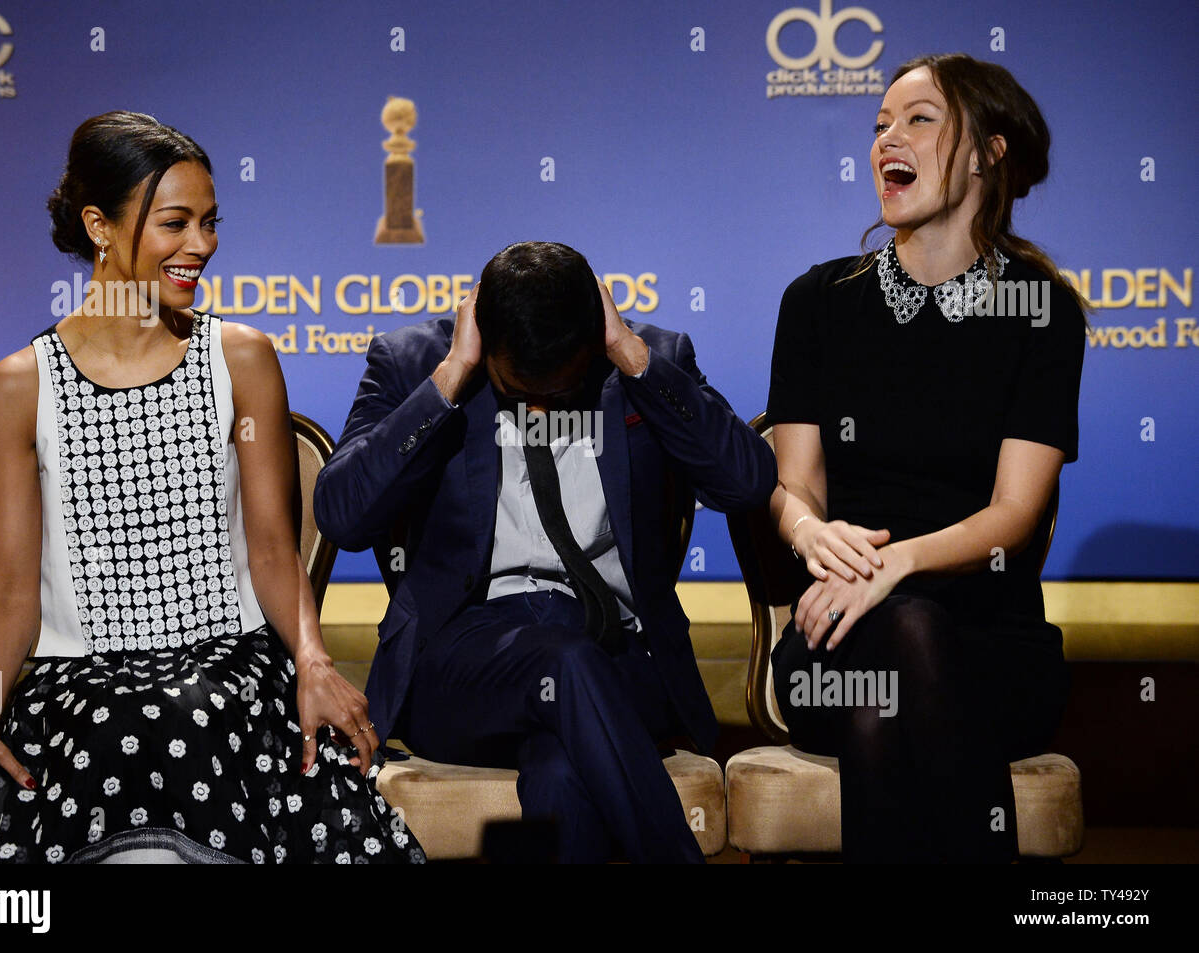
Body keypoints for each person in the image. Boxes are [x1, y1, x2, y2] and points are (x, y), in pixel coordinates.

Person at [0, 111, 424, 864]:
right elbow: (13, 590)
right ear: (99, 224)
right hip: (80, 685)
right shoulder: (18, 387)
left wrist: (315, 664)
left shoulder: (243, 356)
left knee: (183, 708)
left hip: (227, 671)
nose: (203, 245)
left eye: (210, 222)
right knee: (102, 732)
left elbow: (272, 551)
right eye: (176, 222)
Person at [315, 241, 776, 863]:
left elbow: (745, 482)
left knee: (561, 768)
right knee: (563, 661)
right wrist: (451, 378)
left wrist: (633, 359)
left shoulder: (650, 357)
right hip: (462, 668)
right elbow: (342, 515)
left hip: (620, 657)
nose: (537, 410)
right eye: (517, 389)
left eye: (559, 394)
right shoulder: (414, 361)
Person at [765, 54, 1086, 862]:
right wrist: (810, 536)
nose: (885, 141)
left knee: (907, 660)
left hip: (991, 639)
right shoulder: (819, 303)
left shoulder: (1039, 312)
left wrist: (895, 564)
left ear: (987, 151)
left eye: (918, 120)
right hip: (834, 637)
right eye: (879, 125)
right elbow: (793, 484)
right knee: (900, 651)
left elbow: (1015, 515)